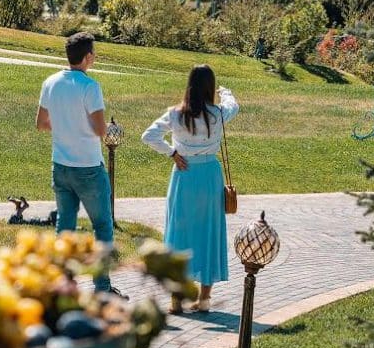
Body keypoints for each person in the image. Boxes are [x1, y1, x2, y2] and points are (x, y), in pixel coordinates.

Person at [141, 64, 238, 313]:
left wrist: (172, 152)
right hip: (209, 177)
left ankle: (176, 300)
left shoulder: (176, 114)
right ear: (210, 88)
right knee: (208, 232)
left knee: (179, 232)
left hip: (184, 174)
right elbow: (233, 106)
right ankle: (204, 299)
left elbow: (148, 135)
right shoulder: (217, 114)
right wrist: (225, 92)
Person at [36, 32, 120, 295]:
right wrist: (111, 129)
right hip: (88, 168)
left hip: (60, 165)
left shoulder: (50, 82)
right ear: (87, 57)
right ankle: (102, 287)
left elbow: (41, 123)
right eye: (92, 53)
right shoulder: (90, 87)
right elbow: (98, 130)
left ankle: (63, 283)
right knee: (103, 225)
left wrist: (65, 126)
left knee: (65, 226)